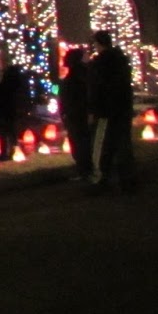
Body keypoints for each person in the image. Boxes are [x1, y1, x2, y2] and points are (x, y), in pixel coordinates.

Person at [87, 30, 137, 193]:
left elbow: (96, 89)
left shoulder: (100, 64)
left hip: (106, 111)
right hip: (122, 108)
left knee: (102, 145)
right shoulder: (121, 61)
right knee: (124, 144)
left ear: (99, 44)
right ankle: (127, 179)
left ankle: (101, 178)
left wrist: (94, 109)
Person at [58, 47, 94, 182]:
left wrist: (65, 112)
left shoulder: (76, 77)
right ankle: (86, 169)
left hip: (76, 114)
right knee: (82, 142)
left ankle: (85, 170)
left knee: (80, 142)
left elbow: (70, 96)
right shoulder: (80, 74)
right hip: (77, 113)